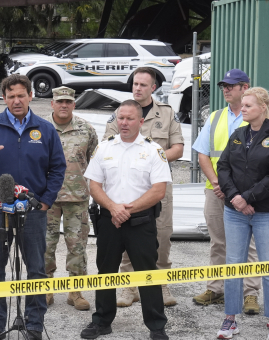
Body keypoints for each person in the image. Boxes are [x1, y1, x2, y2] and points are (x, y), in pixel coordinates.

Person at [0, 74, 66, 340]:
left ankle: (34, 323)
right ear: (4, 98)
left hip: (33, 211)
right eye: (11, 96)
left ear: (31, 96)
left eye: (21, 95)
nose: (16, 101)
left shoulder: (45, 129)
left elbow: (58, 168)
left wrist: (46, 200)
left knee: (35, 268)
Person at [81, 99, 171, 340]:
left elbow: (158, 190)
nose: (124, 122)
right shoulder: (104, 148)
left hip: (141, 222)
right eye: (121, 117)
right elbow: (94, 185)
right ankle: (101, 321)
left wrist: (126, 211)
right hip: (110, 221)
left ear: (141, 122)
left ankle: (156, 325)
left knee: (147, 273)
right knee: (106, 271)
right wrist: (113, 207)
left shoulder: (153, 150)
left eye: (130, 118)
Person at [216, 87, 269, 340]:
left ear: (263, 107)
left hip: (267, 212)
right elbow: (223, 166)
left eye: (248, 105)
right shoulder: (238, 134)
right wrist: (236, 198)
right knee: (233, 265)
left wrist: (247, 198)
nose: (243, 109)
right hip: (235, 211)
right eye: (243, 105)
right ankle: (230, 318)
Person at [104, 67, 184, 307]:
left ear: (153, 88)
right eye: (135, 84)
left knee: (161, 234)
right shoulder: (121, 112)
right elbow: (108, 145)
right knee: (128, 233)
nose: (137, 88)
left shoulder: (167, 114)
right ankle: (129, 286)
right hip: (127, 186)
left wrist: (152, 162)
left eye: (142, 85)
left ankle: (160, 284)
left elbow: (178, 148)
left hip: (158, 186)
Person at [191, 69, 261, 314]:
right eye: (223, 85)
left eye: (231, 85)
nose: (225, 89)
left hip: (244, 193)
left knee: (248, 244)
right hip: (216, 191)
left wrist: (234, 190)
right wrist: (217, 183)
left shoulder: (253, 116)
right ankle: (217, 289)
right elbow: (202, 153)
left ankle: (250, 294)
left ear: (245, 87)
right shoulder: (215, 117)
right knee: (218, 243)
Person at [44, 86, 98, 311]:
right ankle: (45, 287)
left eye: (68, 101)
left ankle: (75, 291)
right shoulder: (41, 128)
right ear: (52, 104)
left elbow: (95, 160)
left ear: (74, 104)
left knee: (77, 246)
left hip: (77, 198)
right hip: (47, 198)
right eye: (60, 101)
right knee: (45, 244)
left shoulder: (86, 129)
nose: (64, 105)